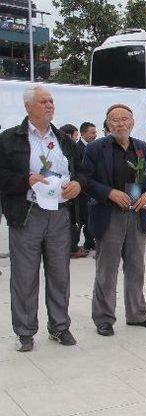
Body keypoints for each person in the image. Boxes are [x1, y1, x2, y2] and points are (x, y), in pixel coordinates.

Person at [0, 85, 86, 352]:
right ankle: (25, 332)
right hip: (27, 214)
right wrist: (25, 180)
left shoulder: (64, 139)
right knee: (25, 277)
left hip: (60, 215)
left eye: (51, 101)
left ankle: (59, 327)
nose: (49, 105)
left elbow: (82, 171)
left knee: (60, 274)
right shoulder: (9, 139)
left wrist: (78, 185)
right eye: (43, 101)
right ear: (28, 107)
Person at [83, 104, 146, 337]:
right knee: (107, 270)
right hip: (109, 213)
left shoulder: (142, 147)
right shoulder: (96, 149)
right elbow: (85, 180)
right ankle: (104, 319)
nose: (120, 123)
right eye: (114, 120)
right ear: (107, 124)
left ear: (132, 122)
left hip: (137, 213)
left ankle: (137, 314)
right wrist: (109, 192)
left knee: (136, 267)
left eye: (125, 119)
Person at [59, 123, 89, 259]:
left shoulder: (69, 148)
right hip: (69, 193)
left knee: (75, 219)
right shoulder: (68, 149)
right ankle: (72, 247)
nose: (76, 138)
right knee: (73, 220)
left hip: (75, 189)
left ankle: (72, 246)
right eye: (75, 135)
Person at [75, 122, 98, 252]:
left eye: (95, 132)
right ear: (83, 133)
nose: (95, 135)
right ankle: (85, 242)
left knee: (90, 215)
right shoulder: (78, 148)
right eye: (92, 133)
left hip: (92, 188)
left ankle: (90, 241)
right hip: (82, 190)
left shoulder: (94, 147)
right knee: (84, 216)